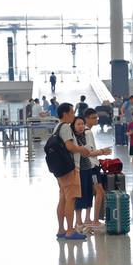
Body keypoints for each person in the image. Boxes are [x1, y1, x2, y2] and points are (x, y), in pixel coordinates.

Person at [52, 103, 102, 241]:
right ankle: (70, 230)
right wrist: (82, 149)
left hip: (59, 169)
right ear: (66, 114)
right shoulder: (66, 127)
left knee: (62, 198)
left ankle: (61, 229)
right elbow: (69, 146)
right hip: (70, 169)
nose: (74, 115)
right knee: (70, 199)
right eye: (72, 112)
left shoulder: (57, 127)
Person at [80, 109, 109, 231]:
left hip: (90, 166)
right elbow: (89, 152)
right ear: (86, 118)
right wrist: (102, 152)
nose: (96, 119)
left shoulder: (85, 131)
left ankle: (88, 219)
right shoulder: (88, 133)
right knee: (99, 192)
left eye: (96, 117)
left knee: (92, 192)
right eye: (93, 117)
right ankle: (95, 220)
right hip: (92, 167)